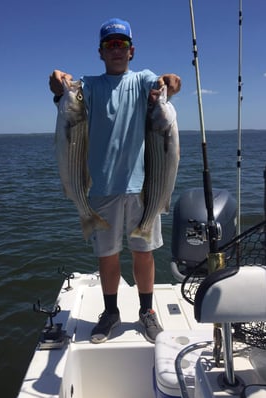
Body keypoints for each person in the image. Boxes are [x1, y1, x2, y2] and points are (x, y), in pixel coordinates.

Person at [49, 18, 181, 344]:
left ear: (131, 51)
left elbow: (170, 82)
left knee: (143, 254)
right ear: (101, 52)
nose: (116, 50)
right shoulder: (89, 86)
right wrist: (56, 82)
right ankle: (110, 313)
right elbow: (63, 94)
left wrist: (170, 83)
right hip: (101, 188)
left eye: (122, 45)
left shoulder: (142, 80)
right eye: (110, 45)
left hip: (143, 188)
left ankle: (147, 312)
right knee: (107, 258)